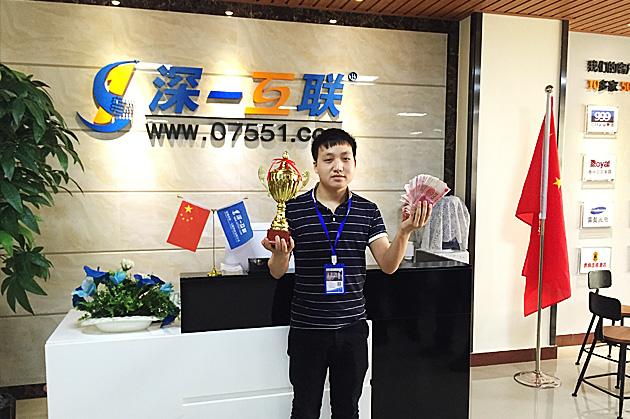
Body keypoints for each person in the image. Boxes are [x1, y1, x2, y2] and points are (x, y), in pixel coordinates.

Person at [262, 128, 432, 419]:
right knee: (304, 409)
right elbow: (277, 273)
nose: (338, 166)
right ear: (315, 166)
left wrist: (404, 232)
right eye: (328, 159)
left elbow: (388, 264)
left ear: (354, 163)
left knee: (347, 409)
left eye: (345, 158)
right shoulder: (293, 209)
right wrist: (279, 255)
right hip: (307, 329)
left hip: (352, 329)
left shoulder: (368, 210)